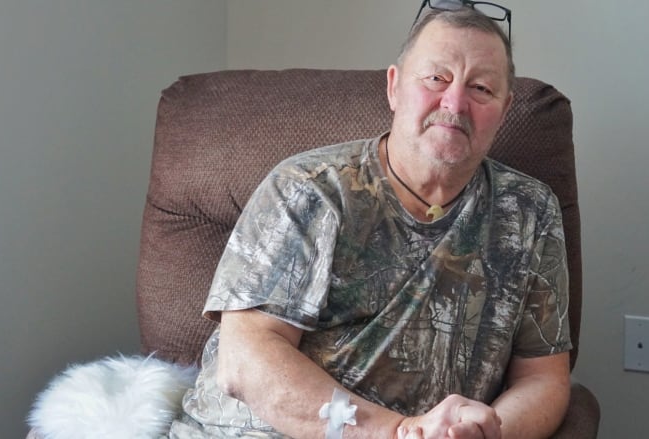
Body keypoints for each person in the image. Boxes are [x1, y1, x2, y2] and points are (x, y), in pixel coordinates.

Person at [170, 3, 571, 438]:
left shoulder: (529, 211)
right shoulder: (309, 189)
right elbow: (245, 361)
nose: (455, 103)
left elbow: (543, 377)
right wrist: (399, 432)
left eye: (481, 88)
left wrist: (483, 432)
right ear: (395, 87)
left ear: (504, 108)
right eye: (436, 78)